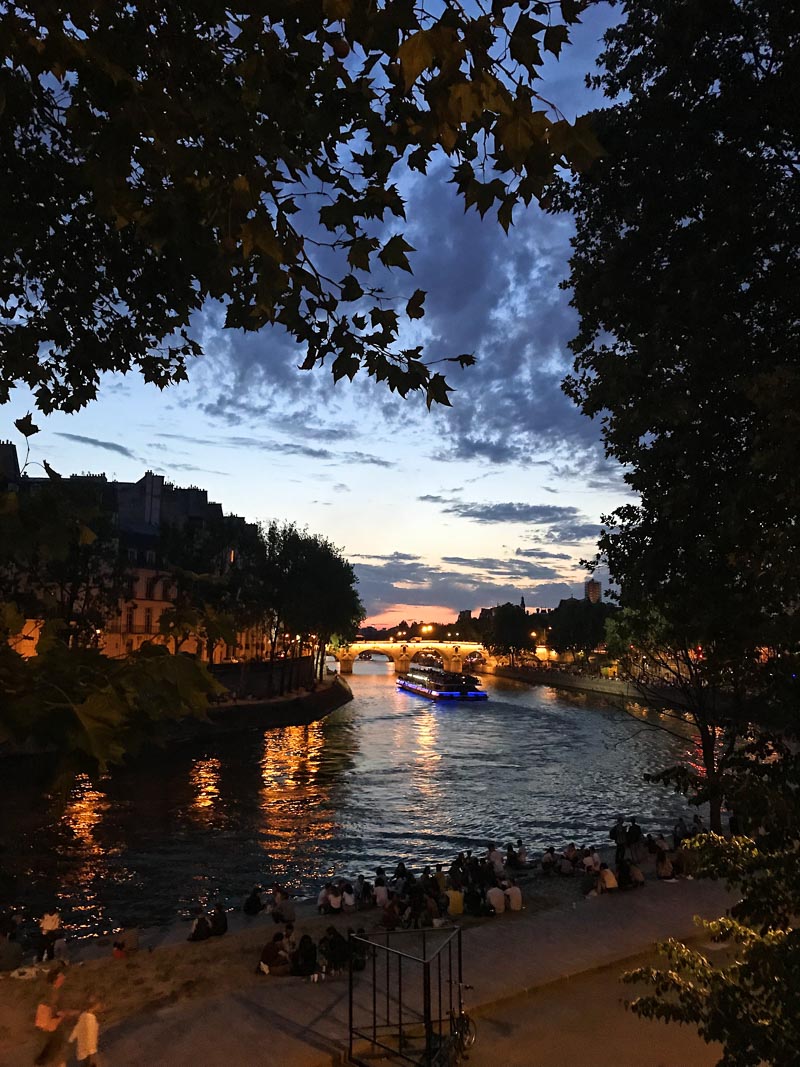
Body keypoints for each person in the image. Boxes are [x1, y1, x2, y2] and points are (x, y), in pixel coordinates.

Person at [34, 966, 72, 1067]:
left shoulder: (56, 992)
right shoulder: (50, 994)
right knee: (53, 1059)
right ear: (55, 979)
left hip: (55, 1033)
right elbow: (44, 1018)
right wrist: (60, 1016)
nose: (63, 977)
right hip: (51, 1034)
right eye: (60, 976)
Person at [69, 996, 101, 1067]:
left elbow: (78, 1029)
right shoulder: (88, 1017)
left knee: (87, 1060)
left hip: (88, 1048)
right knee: (88, 1060)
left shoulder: (87, 1017)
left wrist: (71, 1039)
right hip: (88, 1048)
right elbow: (79, 1029)